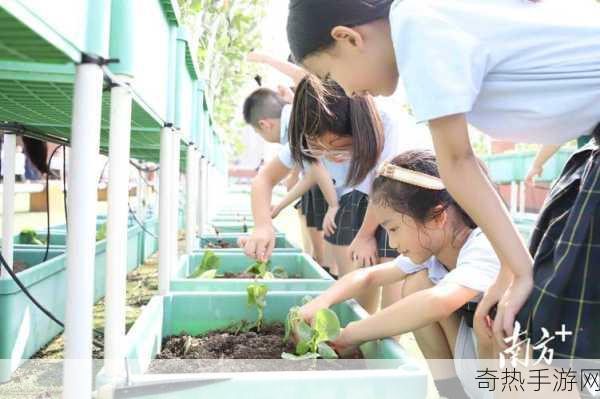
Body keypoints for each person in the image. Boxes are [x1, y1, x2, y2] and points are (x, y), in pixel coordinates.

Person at [285, 0, 600, 361]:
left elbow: (457, 160)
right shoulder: (429, 18)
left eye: (329, 76)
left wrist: (519, 273)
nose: (347, 92)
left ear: (348, 38)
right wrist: (511, 272)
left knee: (556, 351)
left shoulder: (417, 26)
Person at [296, 150, 499, 399]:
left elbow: (437, 302)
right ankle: (452, 393)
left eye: (393, 228)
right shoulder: (436, 250)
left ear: (438, 217)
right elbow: (369, 277)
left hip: (505, 378)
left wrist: (350, 335)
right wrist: (321, 302)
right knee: (417, 283)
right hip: (476, 364)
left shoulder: (485, 246)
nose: (391, 243)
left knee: (422, 289)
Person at [243, 77, 403, 313]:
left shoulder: (385, 123)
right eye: (318, 149)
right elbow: (263, 179)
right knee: (359, 295)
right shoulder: (309, 136)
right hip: (358, 197)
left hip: (397, 200)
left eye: (336, 144)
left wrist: (366, 234)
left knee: (392, 293)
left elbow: (384, 190)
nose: (328, 155)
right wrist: (263, 226)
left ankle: (385, 342)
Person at [242, 87, 336, 268]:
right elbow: (312, 175)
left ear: (264, 124)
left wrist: (262, 226)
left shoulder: (299, 126)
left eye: (259, 133)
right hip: (350, 189)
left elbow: (263, 179)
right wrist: (278, 206)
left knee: (338, 265)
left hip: (357, 190)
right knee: (332, 264)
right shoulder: (296, 127)